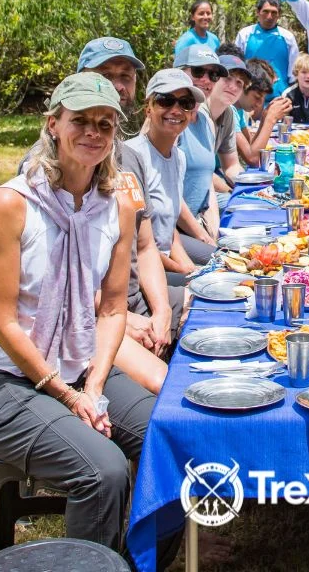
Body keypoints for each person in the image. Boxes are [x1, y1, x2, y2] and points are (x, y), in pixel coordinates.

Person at [0, 72, 156, 553]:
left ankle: (132, 560)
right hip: (7, 382)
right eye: (80, 121)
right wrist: (70, 397)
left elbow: (114, 307)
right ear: (53, 123)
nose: (93, 133)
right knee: (104, 473)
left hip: (80, 368)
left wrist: (93, 386)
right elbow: (2, 319)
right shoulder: (12, 203)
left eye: (105, 124)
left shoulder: (116, 205)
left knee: (166, 433)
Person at [76, 37, 185, 394]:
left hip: (135, 297)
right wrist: (125, 318)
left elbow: (147, 245)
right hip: (89, 315)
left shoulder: (130, 158)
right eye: (106, 75)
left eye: (126, 76)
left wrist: (161, 311)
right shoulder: (58, 162)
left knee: (221, 306)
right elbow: (59, 278)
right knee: (168, 392)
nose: (118, 86)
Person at [125, 69, 214, 273]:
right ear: (148, 108)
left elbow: (169, 228)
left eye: (185, 103)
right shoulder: (131, 158)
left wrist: (187, 267)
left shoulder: (178, 158)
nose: (176, 110)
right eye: (166, 101)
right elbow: (136, 243)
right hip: (141, 268)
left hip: (164, 259)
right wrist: (184, 271)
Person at [173, 45, 227, 239]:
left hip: (197, 222)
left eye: (213, 75)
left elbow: (207, 184)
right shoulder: (170, 121)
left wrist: (213, 233)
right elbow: (167, 195)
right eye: (198, 71)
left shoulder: (205, 121)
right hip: (173, 231)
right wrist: (204, 239)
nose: (206, 80)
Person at [235, 0, 299, 98]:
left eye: (274, 12)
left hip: (279, 96)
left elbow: (293, 72)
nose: (269, 16)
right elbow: (237, 66)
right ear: (258, 12)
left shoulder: (288, 37)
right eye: (266, 11)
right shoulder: (245, 34)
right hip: (249, 96)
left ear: (279, 15)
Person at [208, 54, 250, 207]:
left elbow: (231, 166)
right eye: (227, 78)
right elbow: (197, 174)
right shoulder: (195, 112)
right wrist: (230, 191)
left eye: (239, 83)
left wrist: (249, 186)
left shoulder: (229, 113)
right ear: (213, 79)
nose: (233, 87)